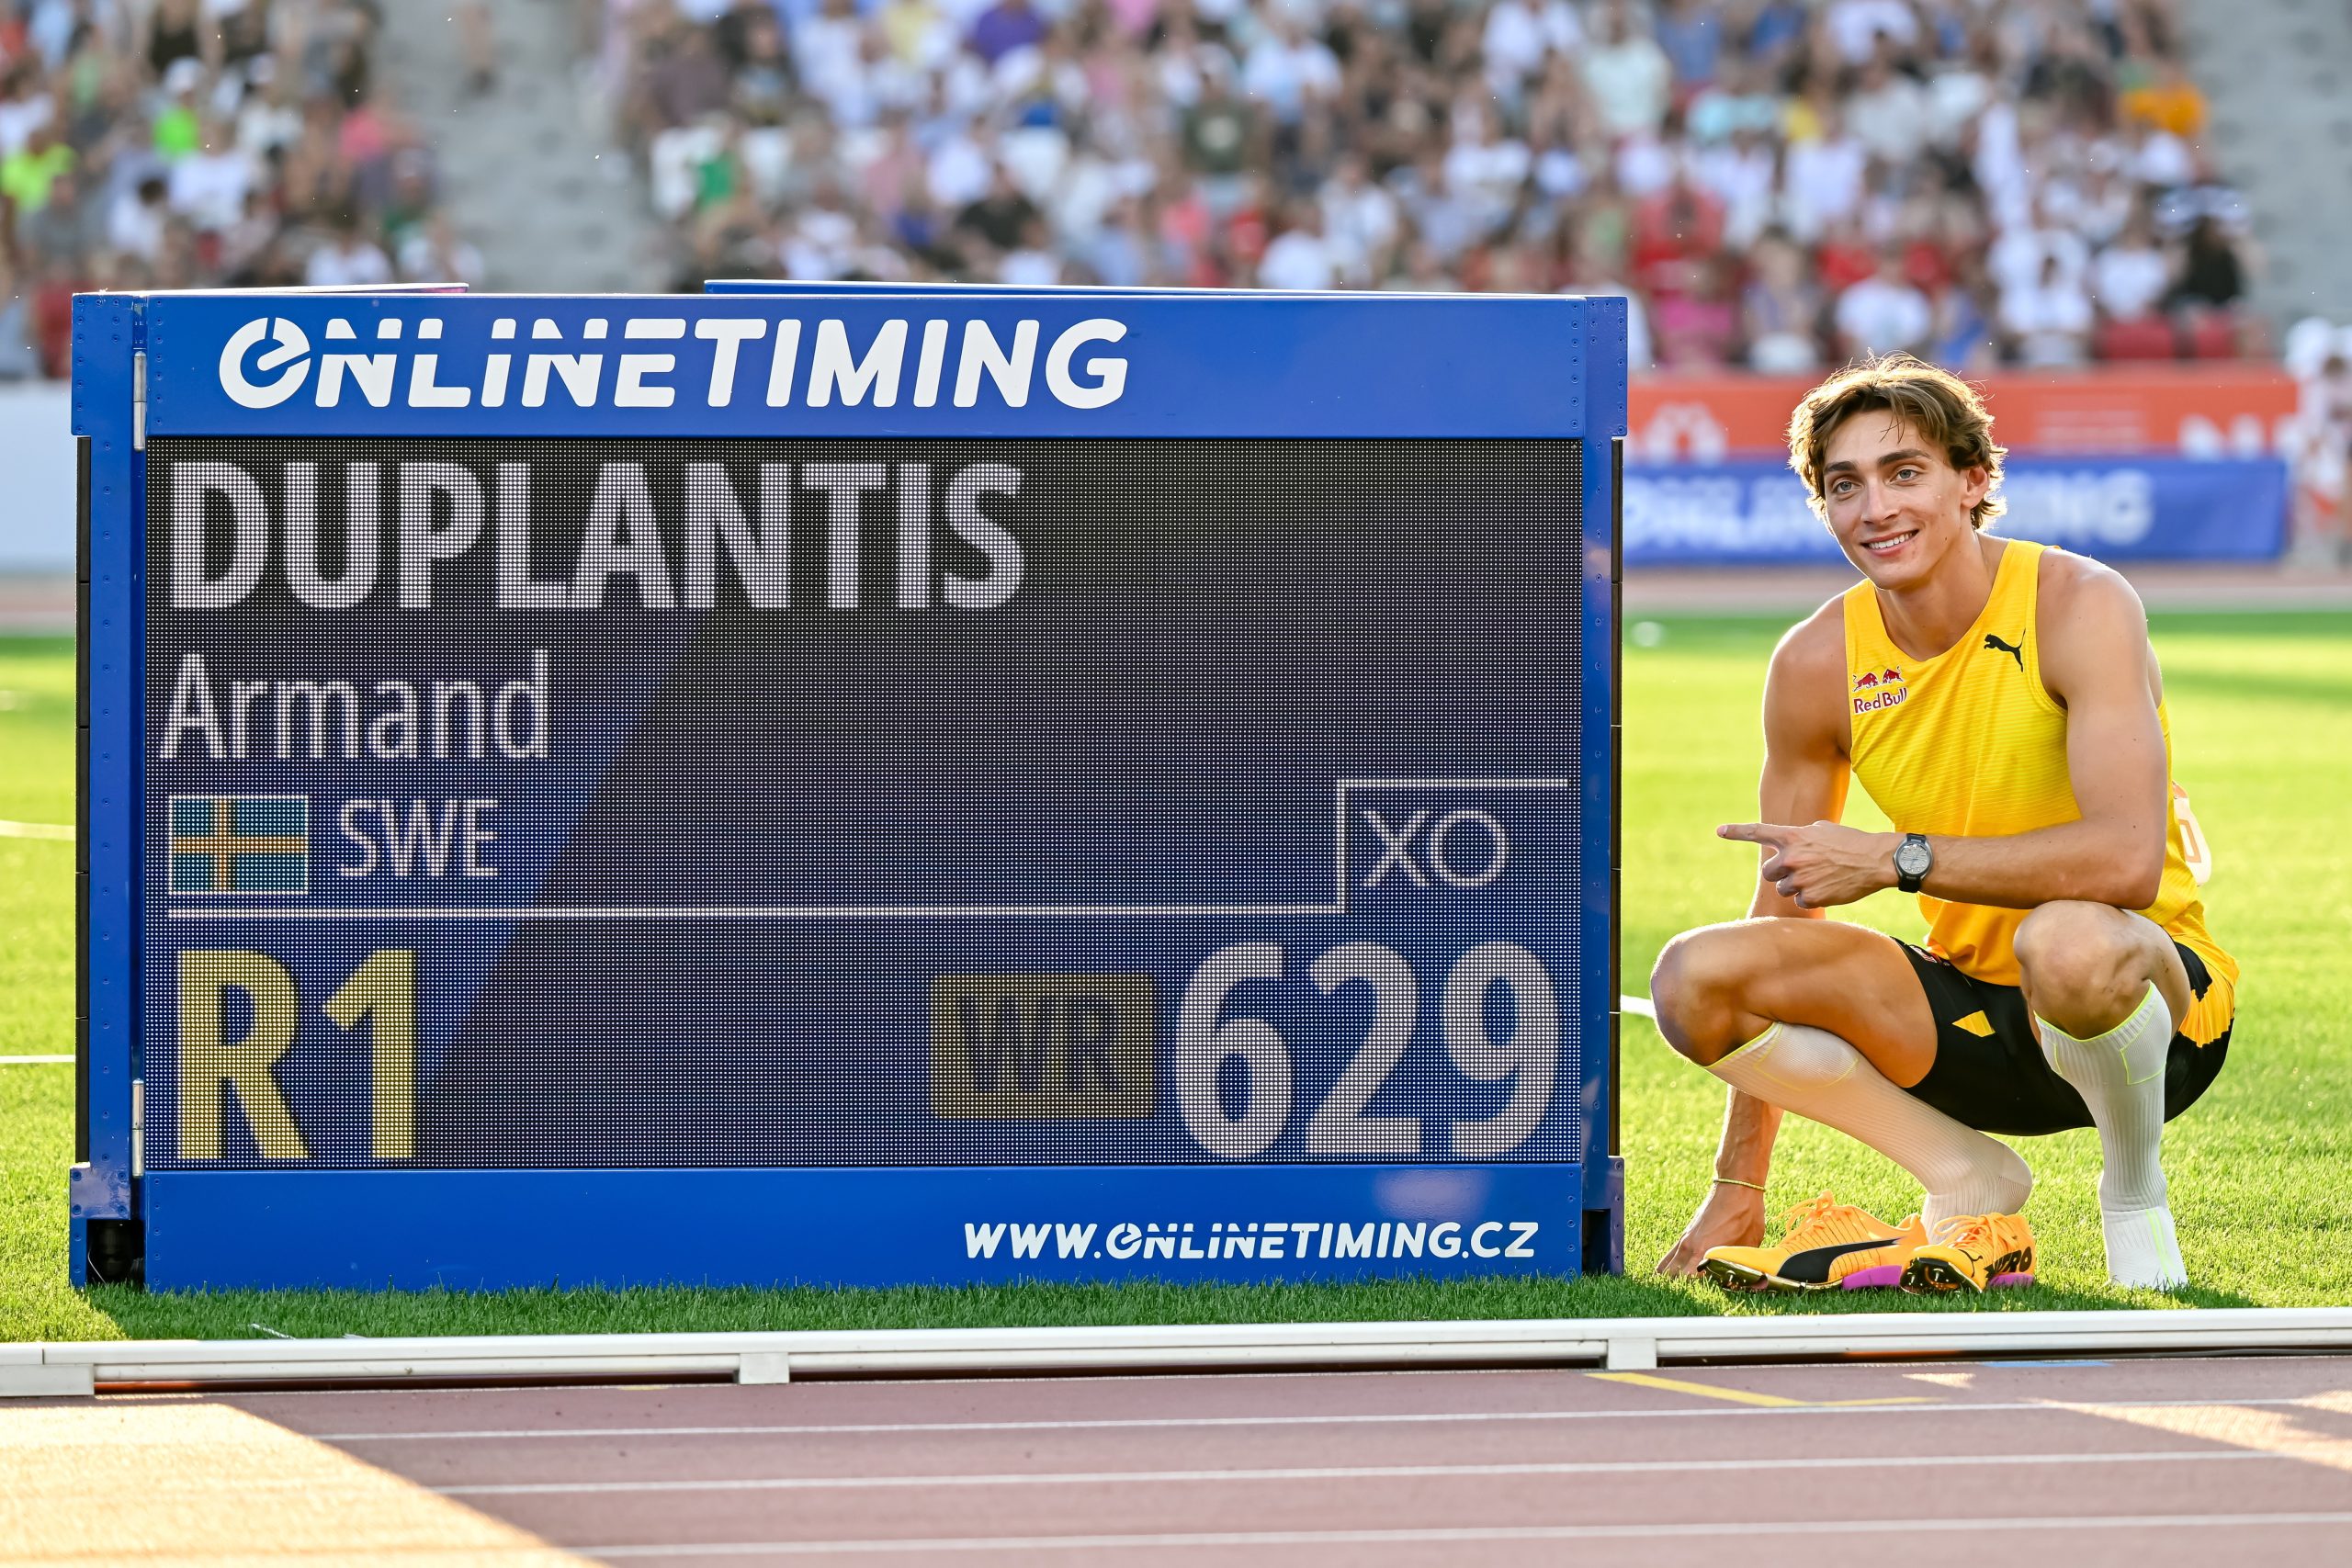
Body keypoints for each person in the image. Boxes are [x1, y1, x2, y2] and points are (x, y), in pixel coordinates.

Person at [1649, 354, 2238, 1294]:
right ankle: (1968, 1177)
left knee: (2068, 940)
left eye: (1904, 473)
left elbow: (2126, 863)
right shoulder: (1813, 663)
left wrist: (1895, 859)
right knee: (1694, 978)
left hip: (2150, 1011)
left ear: (1973, 481)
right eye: (1845, 484)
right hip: (1971, 1018)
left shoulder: (2079, 602)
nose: (1875, 507)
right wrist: (1737, 1181)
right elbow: (1785, 911)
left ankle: (2133, 1192)